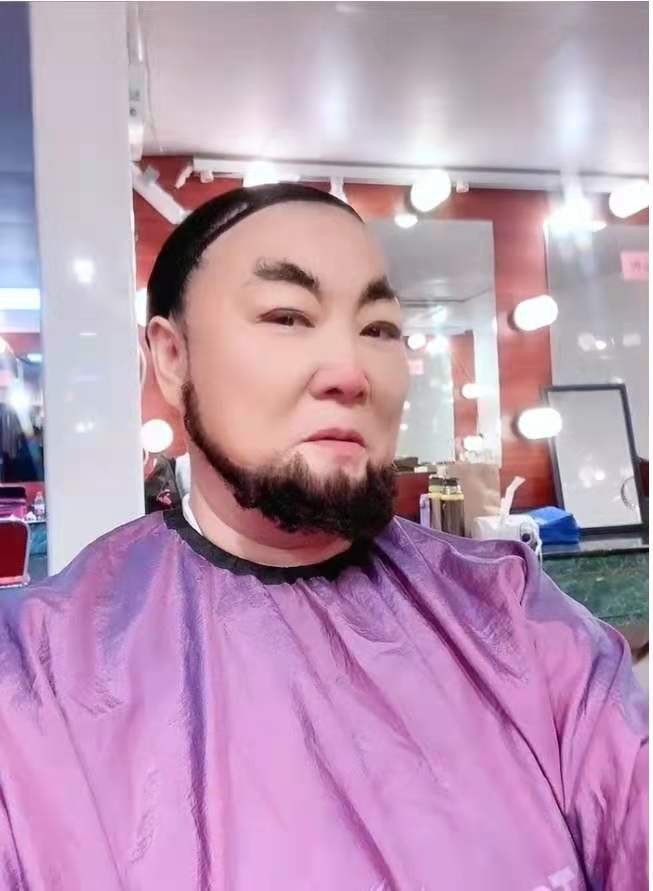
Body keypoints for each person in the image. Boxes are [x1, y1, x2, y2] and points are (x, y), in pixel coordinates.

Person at [0, 184, 646, 891]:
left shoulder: (516, 618)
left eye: (379, 328)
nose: (350, 373)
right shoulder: (34, 676)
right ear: (173, 356)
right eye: (287, 316)